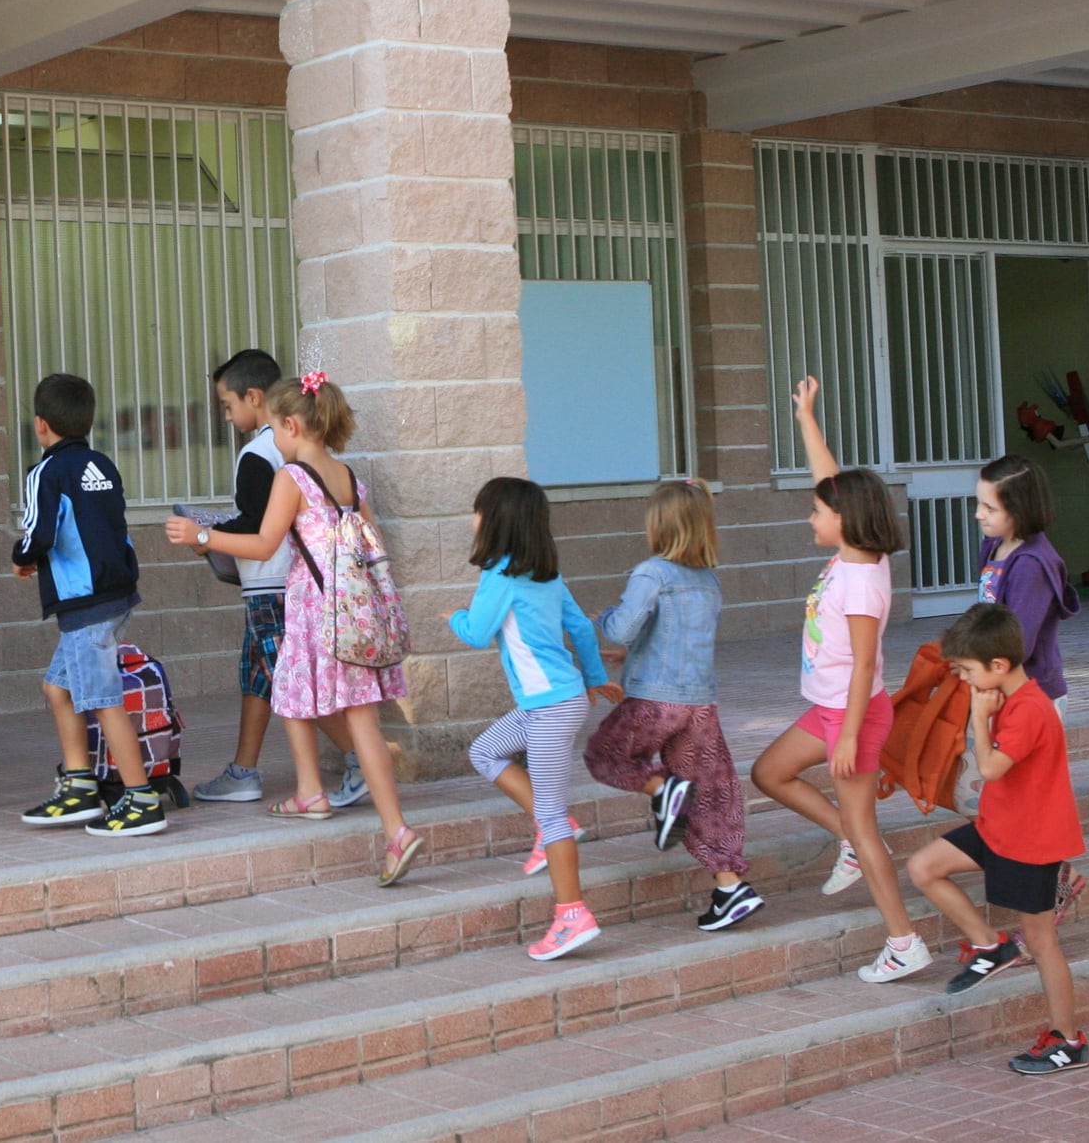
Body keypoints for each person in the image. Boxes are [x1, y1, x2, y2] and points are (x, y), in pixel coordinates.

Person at [165, 370, 423, 885]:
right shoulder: (347, 477)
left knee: (300, 696)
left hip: (311, 609)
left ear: (290, 425)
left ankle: (351, 810)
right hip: (353, 612)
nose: (274, 442)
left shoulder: (292, 477)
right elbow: (370, 536)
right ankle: (351, 808)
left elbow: (264, 544)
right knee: (323, 705)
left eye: (277, 433)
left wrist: (203, 534)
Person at [750, 376, 930, 984]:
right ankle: (845, 839)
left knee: (867, 831)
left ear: (843, 521)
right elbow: (829, 478)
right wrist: (805, 415)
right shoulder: (857, 555)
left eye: (817, 512)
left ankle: (904, 941)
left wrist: (849, 738)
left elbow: (861, 667)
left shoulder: (859, 583)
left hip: (851, 716)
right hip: (828, 710)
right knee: (769, 773)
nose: (811, 516)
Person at [906, 602, 1089, 1075]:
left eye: (968, 671)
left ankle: (1068, 1040)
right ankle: (990, 945)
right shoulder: (1007, 695)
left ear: (999, 666)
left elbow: (989, 767)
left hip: (1030, 841)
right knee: (924, 867)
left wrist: (978, 718)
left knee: (1042, 941)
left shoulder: (1028, 708)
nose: (965, 680)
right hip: (998, 828)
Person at [447, 477, 620, 960]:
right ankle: (552, 824)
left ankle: (572, 914)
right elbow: (582, 629)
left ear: (495, 521)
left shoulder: (499, 577)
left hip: (549, 707)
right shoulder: (545, 574)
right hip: (556, 703)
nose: (473, 518)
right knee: (485, 750)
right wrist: (596, 678)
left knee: (550, 812)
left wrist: (455, 616)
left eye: (478, 510)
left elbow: (478, 633)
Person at [190, 350, 367, 810]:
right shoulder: (330, 464)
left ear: (258, 399)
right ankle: (243, 770)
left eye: (228, 406)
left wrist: (205, 535)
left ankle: (359, 759)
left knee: (290, 679)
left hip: (276, 586)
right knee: (260, 678)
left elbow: (259, 531)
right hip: (294, 585)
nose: (228, 417)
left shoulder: (263, 455)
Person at [585, 480, 763, 932]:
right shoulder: (708, 580)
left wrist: (602, 619)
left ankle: (662, 792)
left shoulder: (652, 573)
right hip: (698, 705)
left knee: (605, 754)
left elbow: (621, 628)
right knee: (711, 795)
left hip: (655, 700)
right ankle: (729, 887)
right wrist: (635, 654)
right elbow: (683, 638)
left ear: (659, 525)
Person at [14, 375, 165, 838]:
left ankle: (141, 799)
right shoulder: (101, 464)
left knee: (102, 700)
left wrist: (22, 558)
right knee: (58, 689)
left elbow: (39, 530)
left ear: (41, 425)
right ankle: (80, 784)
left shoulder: (46, 472)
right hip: (116, 595)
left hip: (85, 603)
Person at [970, 454, 1085, 917]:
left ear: (1019, 510)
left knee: (1025, 802)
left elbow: (1015, 641)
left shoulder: (1034, 563)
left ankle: (1050, 889)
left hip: (1027, 703)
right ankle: (1052, 882)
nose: (979, 514)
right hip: (996, 695)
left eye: (990, 508)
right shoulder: (996, 548)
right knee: (995, 797)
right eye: (978, 504)